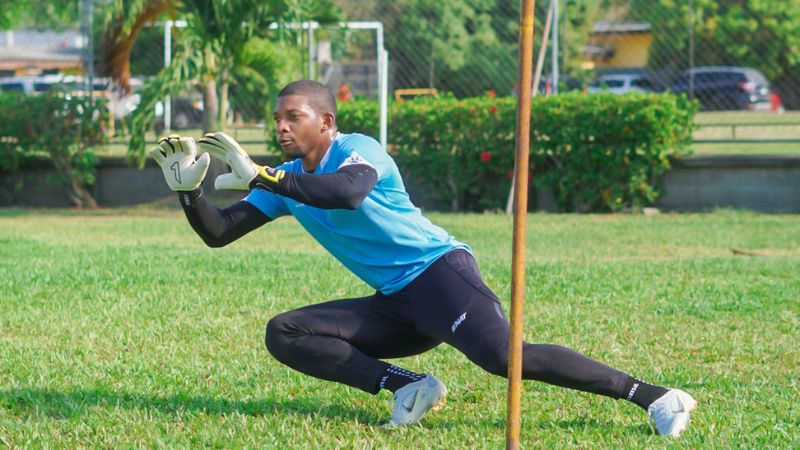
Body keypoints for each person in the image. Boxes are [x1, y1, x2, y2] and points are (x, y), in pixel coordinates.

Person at [149, 80, 696, 435]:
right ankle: (406, 387)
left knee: (504, 359)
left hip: (440, 276)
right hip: (396, 304)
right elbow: (220, 233)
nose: (282, 127)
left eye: (294, 116)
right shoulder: (283, 183)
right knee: (284, 332)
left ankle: (655, 397)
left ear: (327, 123)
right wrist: (191, 192)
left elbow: (347, 193)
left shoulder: (357, 149)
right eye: (278, 119)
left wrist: (268, 175)